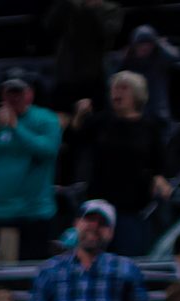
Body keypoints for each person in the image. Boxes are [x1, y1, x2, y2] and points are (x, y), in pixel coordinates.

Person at [67, 73, 170, 255]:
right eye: (114, 88)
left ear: (137, 94)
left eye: (124, 88)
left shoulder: (149, 128)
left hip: (131, 210)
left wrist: (159, 178)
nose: (117, 92)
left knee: (128, 260)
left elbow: (159, 163)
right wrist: (79, 117)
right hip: (98, 209)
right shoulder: (100, 122)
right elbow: (72, 142)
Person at [0, 75, 65, 260]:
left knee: (33, 269)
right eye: (9, 92)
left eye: (18, 92)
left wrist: (15, 127)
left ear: (30, 94)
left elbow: (48, 150)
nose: (13, 98)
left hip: (34, 213)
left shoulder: (46, 119)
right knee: (1, 271)